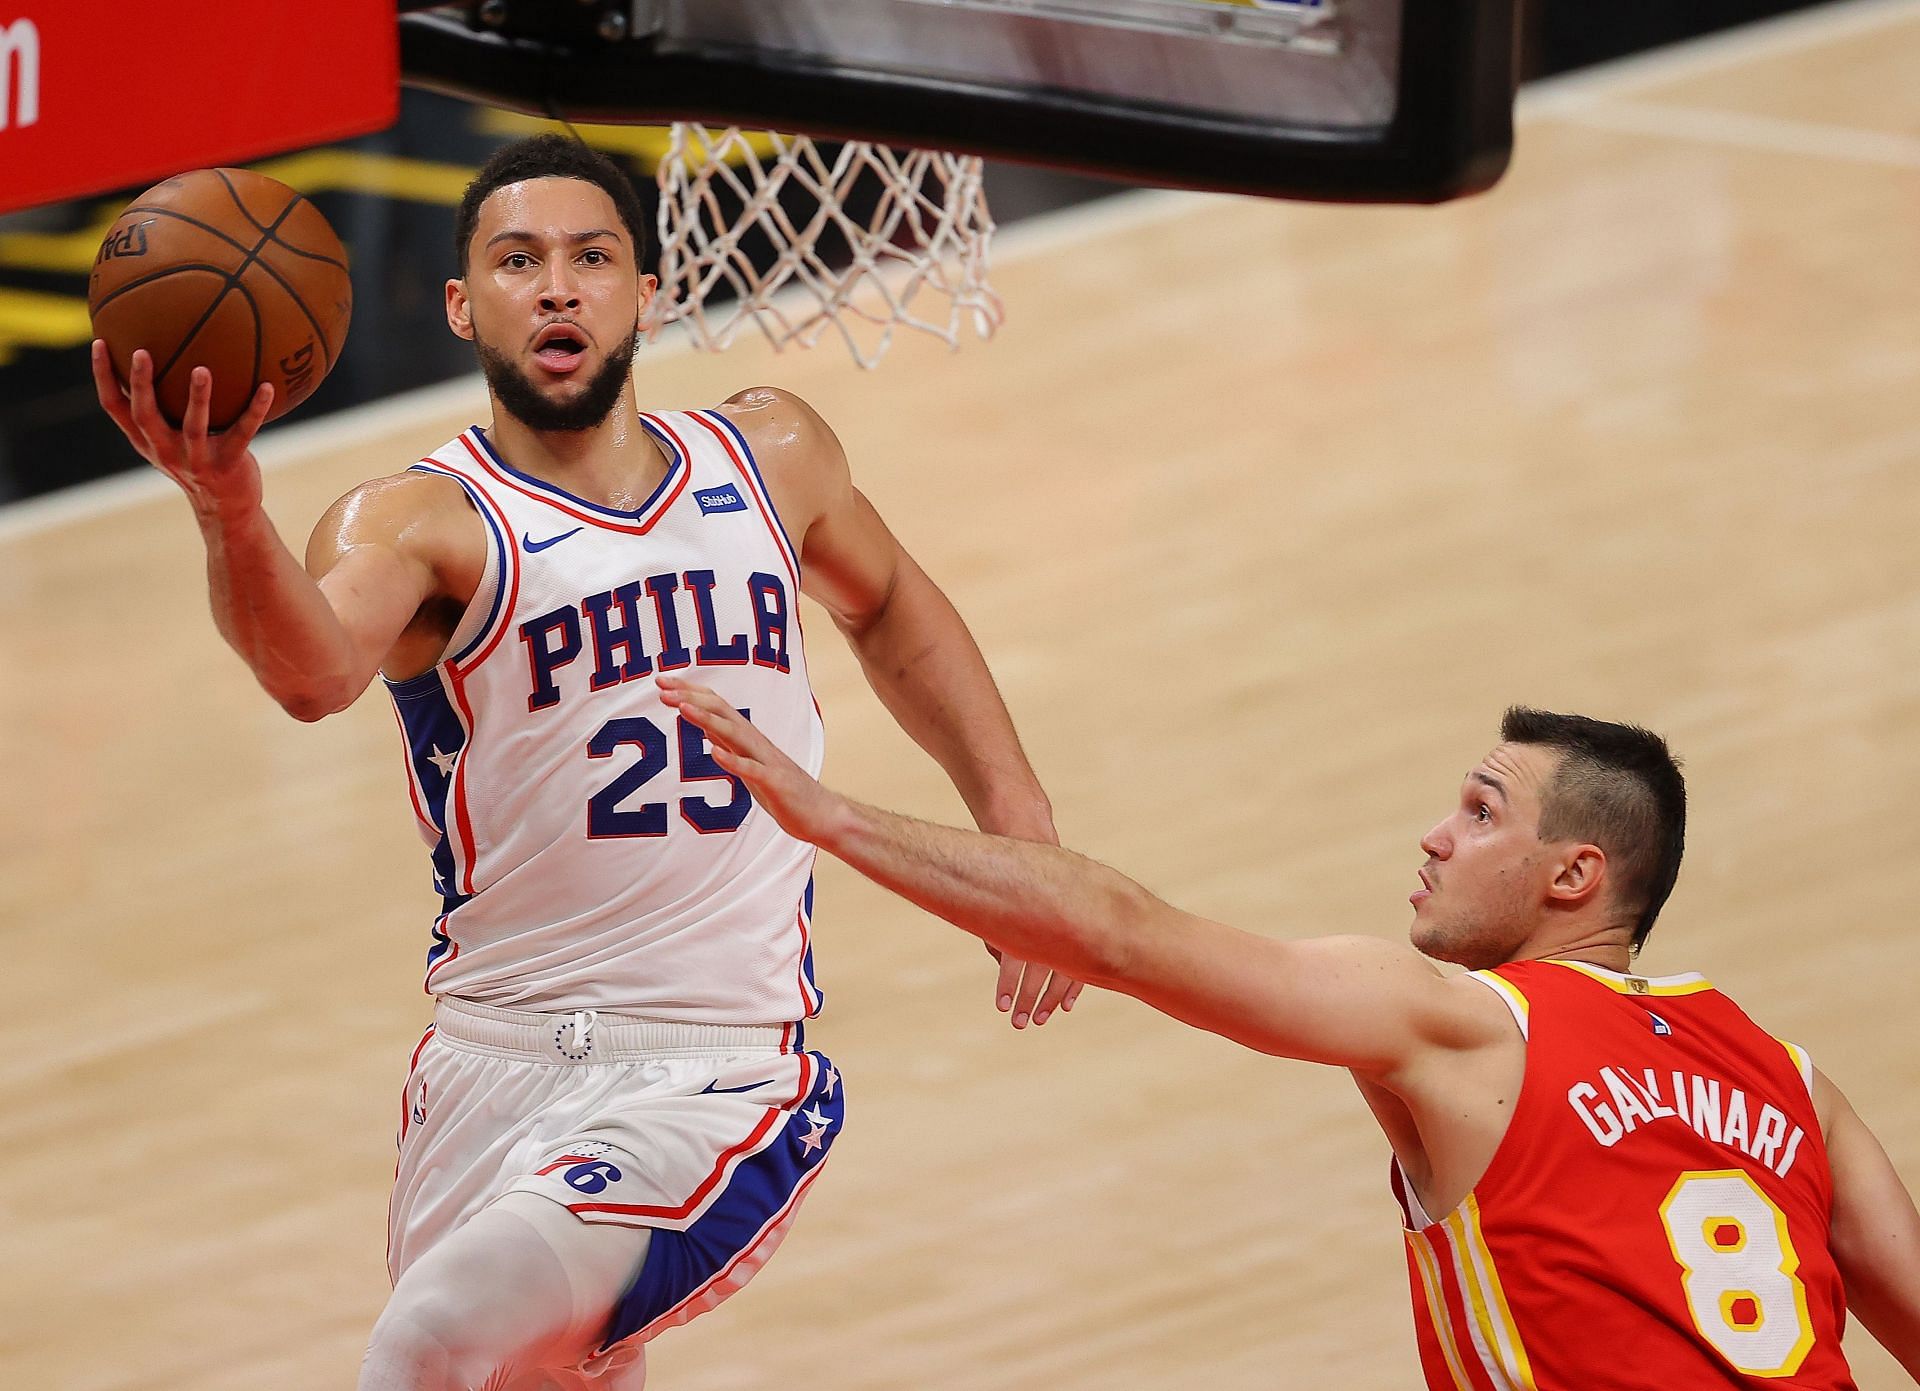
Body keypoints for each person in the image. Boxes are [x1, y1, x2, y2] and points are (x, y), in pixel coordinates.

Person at [89, 133, 1082, 1390]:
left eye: (590, 257)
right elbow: (309, 672)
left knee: (433, 1343)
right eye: (517, 260)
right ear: (462, 305)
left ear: (647, 293)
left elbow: (890, 608)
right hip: (487, 1066)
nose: (557, 286)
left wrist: (1016, 823)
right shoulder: (417, 521)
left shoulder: (767, 457)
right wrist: (227, 503)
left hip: (714, 1068)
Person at [659, 682, 1920, 1388]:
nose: (1435, 832)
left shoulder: (1473, 1027)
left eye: (1480, 811)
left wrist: (827, 816)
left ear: (1574, 873)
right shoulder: (1793, 1081)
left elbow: (1123, 930)